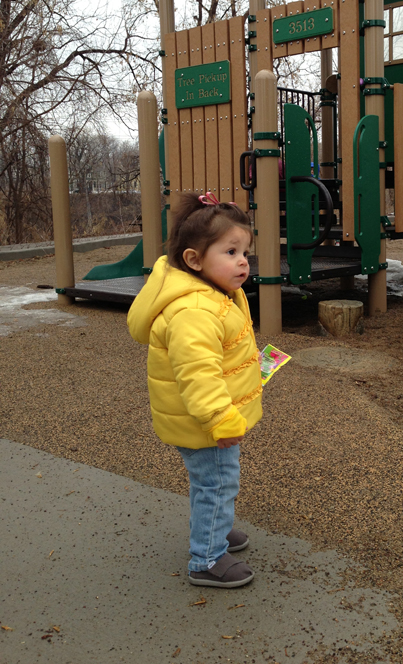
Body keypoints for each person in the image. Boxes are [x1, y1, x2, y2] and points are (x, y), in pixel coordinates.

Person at [127, 192, 262, 588]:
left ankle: (212, 531)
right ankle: (206, 558)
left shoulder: (213, 294)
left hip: (202, 417)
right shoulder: (194, 311)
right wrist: (221, 418)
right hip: (205, 422)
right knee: (217, 483)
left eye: (245, 252)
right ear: (194, 260)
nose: (242, 262)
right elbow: (198, 375)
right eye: (231, 251)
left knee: (212, 481)